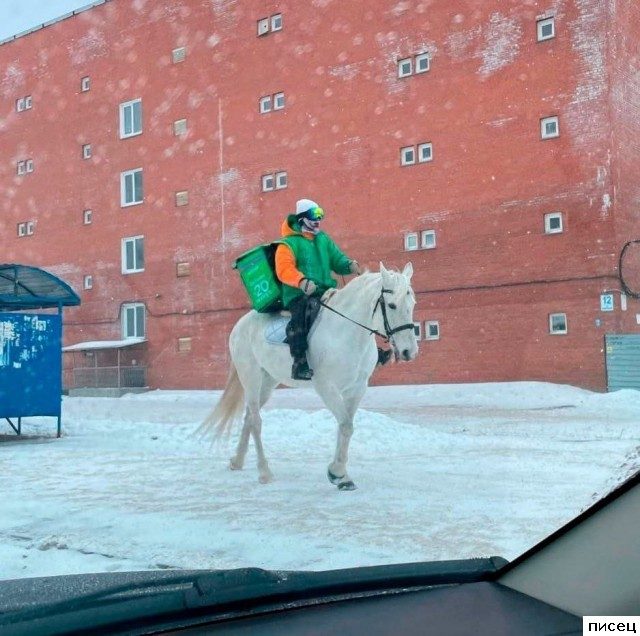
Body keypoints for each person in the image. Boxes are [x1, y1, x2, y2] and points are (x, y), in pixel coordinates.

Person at [274, 198, 361, 381]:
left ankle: (366, 352)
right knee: (302, 317)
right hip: (299, 293)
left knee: (350, 308)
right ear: (302, 218)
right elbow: (284, 270)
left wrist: (349, 265)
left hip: (324, 290)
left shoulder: (323, 239)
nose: (318, 219)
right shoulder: (288, 244)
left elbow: (337, 259)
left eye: (320, 214)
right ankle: (299, 364)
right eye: (314, 215)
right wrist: (301, 281)